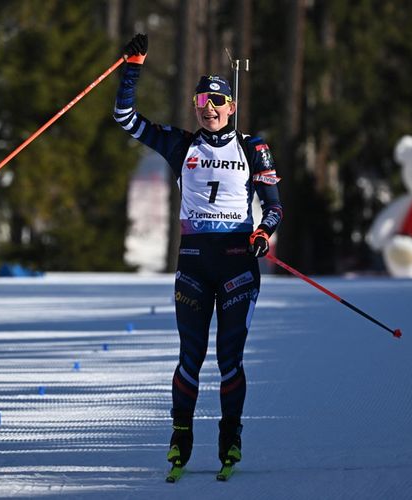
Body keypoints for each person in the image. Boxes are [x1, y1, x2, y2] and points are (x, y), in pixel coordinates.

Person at [113, 34, 283, 472]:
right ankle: (181, 436)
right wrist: (132, 67)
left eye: (216, 100)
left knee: (230, 357)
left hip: (237, 262)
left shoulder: (252, 147)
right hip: (193, 262)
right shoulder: (179, 144)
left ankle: (231, 437)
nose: (208, 107)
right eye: (200, 99)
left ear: (230, 106)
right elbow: (125, 117)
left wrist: (264, 232)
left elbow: (276, 204)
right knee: (191, 355)